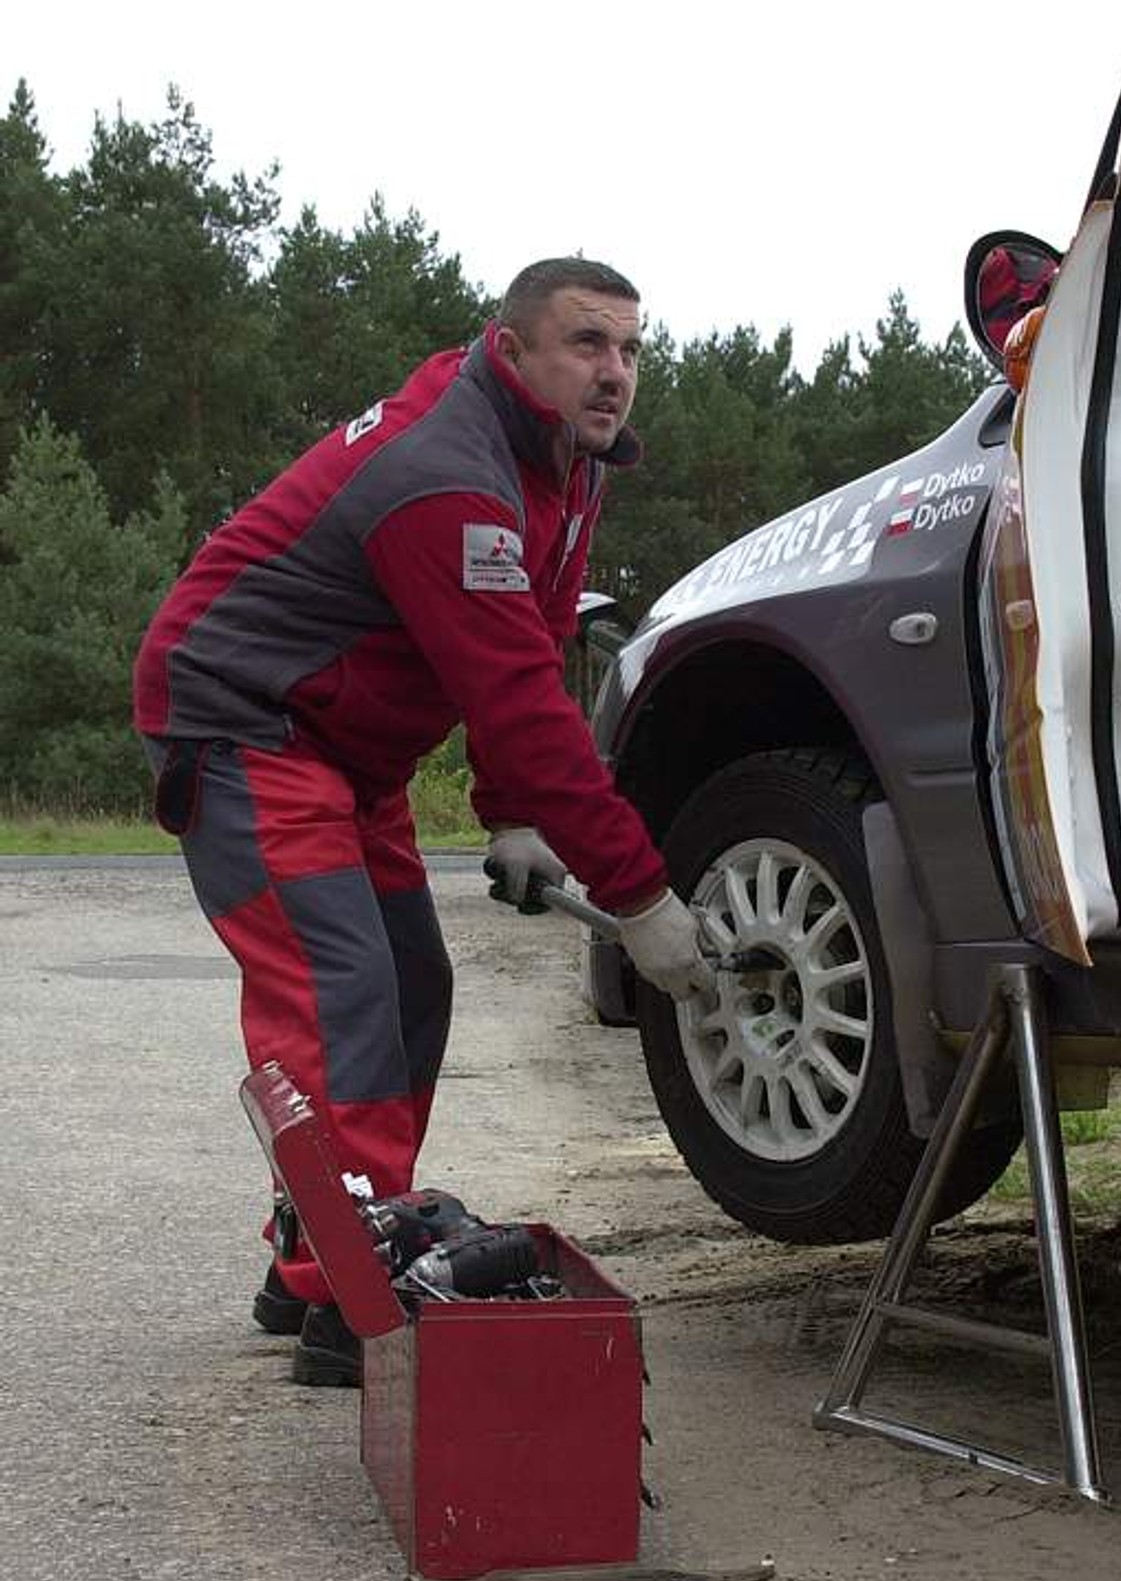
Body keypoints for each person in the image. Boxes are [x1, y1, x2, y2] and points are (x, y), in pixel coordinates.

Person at [133, 257, 715, 1387]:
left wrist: (513, 812)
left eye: (631, 349)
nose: (615, 373)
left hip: (348, 748)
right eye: (587, 343)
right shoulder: (445, 475)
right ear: (513, 348)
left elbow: (534, 636)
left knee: (413, 983)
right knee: (342, 989)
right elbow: (517, 701)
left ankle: (315, 1248)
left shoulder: (565, 463)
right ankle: (349, 1301)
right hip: (246, 720)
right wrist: (638, 894)